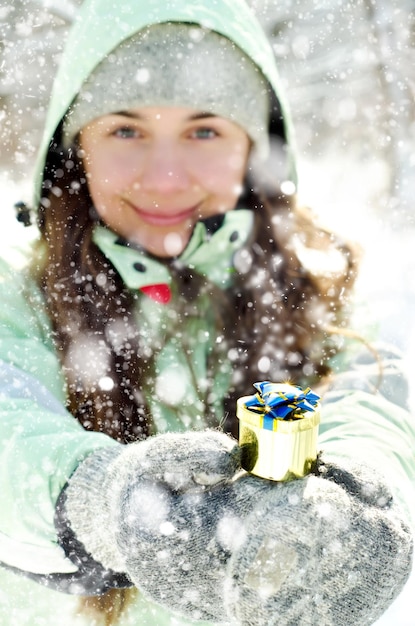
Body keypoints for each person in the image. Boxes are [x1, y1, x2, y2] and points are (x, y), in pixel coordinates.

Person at [0, 0, 413, 624]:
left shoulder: (326, 290)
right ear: (74, 148)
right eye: (125, 129)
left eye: (203, 130)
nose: (165, 178)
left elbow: (374, 406)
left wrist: (359, 489)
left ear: (255, 146)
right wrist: (96, 497)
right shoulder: (18, 297)